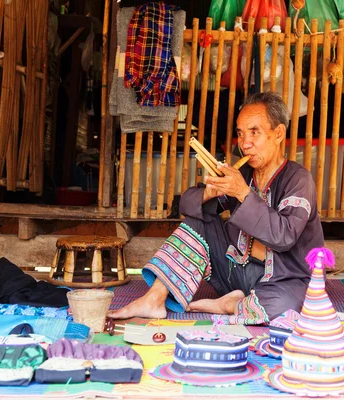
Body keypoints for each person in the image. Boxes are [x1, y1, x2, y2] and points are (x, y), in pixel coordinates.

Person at [108, 92, 325, 324]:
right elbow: (187, 206)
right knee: (199, 221)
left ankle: (229, 304)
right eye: (240, 134)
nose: (244, 143)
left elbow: (285, 236)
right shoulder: (243, 174)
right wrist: (208, 194)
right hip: (235, 273)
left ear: (278, 133)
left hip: (284, 280)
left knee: (286, 308)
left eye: (254, 132)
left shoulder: (298, 180)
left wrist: (243, 193)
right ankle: (154, 298)